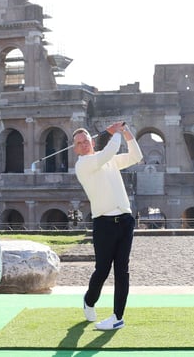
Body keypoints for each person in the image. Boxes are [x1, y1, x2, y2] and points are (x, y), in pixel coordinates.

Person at [73, 121, 142, 331]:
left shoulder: (108, 160)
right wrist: (115, 132)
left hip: (125, 220)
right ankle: (89, 300)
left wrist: (127, 131)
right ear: (75, 148)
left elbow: (135, 156)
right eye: (79, 143)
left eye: (86, 141)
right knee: (102, 270)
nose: (84, 145)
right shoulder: (83, 165)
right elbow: (107, 152)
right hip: (103, 223)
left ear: (92, 141)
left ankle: (117, 317)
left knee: (122, 271)